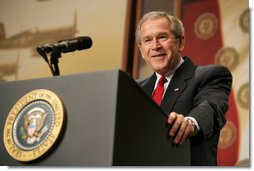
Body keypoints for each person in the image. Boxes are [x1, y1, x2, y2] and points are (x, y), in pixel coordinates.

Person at [135, 11, 232, 166]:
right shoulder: (136, 89)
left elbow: (210, 107)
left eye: (162, 37)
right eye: (147, 40)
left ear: (180, 42)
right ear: (141, 50)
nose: (155, 46)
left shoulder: (209, 76)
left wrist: (190, 123)